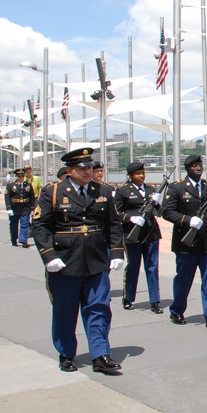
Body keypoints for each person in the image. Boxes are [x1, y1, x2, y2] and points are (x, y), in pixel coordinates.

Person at [31, 147, 125, 374]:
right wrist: (48, 255)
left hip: (96, 260)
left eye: (90, 167)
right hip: (65, 262)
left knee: (99, 309)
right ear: (70, 170)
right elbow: (40, 226)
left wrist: (117, 252)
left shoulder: (103, 191)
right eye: (82, 168)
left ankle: (100, 355)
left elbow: (113, 224)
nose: (88, 172)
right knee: (65, 310)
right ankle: (66, 353)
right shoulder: (53, 192)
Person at [161, 154, 207, 329]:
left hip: (206, 241)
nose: (198, 168)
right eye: (194, 166)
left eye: (200, 165)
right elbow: (167, 212)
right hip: (186, 242)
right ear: (188, 168)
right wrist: (188, 220)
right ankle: (177, 310)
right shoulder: (177, 187)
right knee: (183, 279)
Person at [115, 162, 163, 314]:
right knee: (133, 266)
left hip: (151, 233)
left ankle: (155, 300)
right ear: (130, 176)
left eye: (142, 173)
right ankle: (128, 298)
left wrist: (157, 203)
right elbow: (116, 213)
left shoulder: (150, 189)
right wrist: (131, 218)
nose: (141, 176)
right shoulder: (123, 191)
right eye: (137, 174)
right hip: (132, 234)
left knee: (152, 267)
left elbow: (159, 213)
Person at [4, 168, 35, 248]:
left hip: (25, 207)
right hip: (14, 207)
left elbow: (32, 197)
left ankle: (23, 240)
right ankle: (14, 239)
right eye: (19, 176)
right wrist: (8, 208)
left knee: (25, 223)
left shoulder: (28, 185)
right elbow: (7, 197)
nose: (21, 177)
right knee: (14, 224)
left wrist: (32, 208)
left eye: (22, 176)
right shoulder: (11, 185)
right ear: (16, 176)